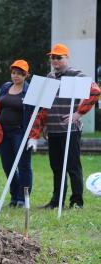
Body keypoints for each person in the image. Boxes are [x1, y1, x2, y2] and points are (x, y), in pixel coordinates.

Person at [38, 43, 100, 209]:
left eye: (59, 57)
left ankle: (77, 202)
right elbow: (46, 103)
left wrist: (78, 114)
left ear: (67, 58)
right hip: (53, 129)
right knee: (57, 168)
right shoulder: (50, 77)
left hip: (70, 130)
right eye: (53, 57)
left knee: (73, 167)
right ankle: (56, 201)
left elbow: (95, 91)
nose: (55, 60)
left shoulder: (75, 75)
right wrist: (45, 124)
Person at [0, 60, 40, 207]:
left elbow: (35, 114)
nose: (16, 76)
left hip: (20, 132)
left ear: (26, 75)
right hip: (3, 133)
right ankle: (14, 196)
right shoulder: (5, 87)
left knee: (23, 165)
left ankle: (22, 198)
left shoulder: (30, 91)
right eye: (14, 73)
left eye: (20, 74)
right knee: (8, 165)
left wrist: (33, 135)